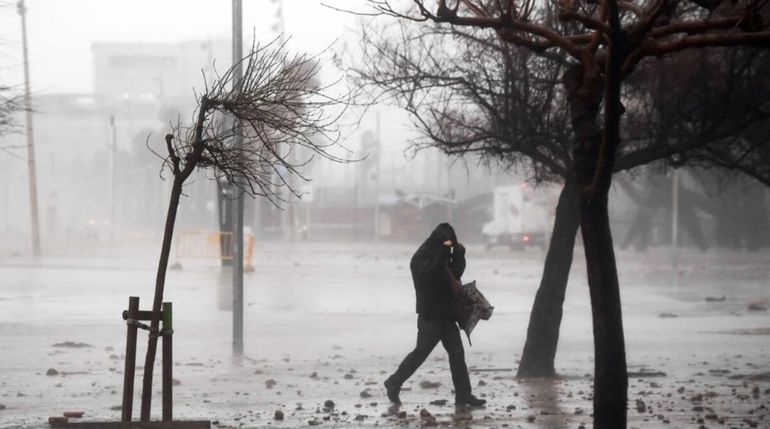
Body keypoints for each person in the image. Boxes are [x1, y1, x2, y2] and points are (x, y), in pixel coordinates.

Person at [384, 223, 486, 407]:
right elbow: (431, 275)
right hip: (430, 317)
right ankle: (394, 382)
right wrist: (444, 253)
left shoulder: (441, 255)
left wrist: (459, 255)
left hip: (447, 315)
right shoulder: (420, 259)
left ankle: (463, 395)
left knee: (457, 355)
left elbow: (455, 274)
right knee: (419, 355)